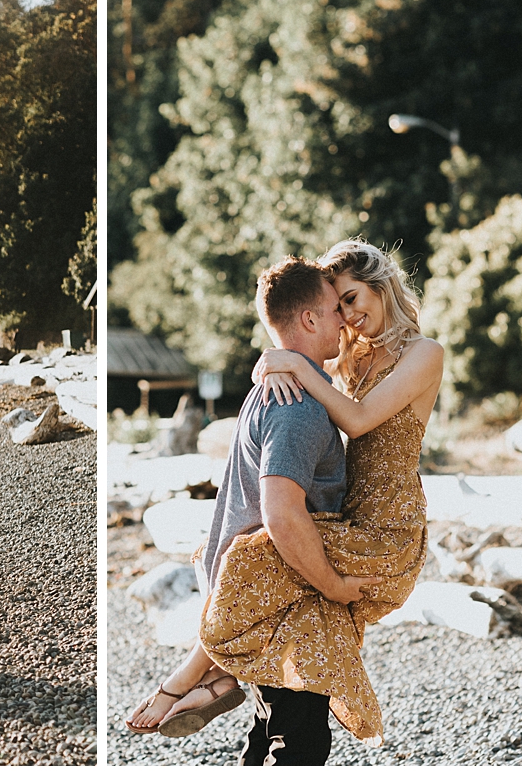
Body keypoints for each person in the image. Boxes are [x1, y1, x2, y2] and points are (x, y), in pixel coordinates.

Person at [127, 241, 438, 763]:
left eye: (354, 298)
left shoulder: (424, 353)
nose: (348, 316)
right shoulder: (349, 361)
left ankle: (195, 676)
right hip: (344, 519)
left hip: (385, 525)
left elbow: (358, 420)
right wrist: (276, 363)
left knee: (257, 559)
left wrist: (288, 359)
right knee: (286, 682)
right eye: (339, 305)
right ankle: (220, 679)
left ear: (382, 283)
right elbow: (306, 363)